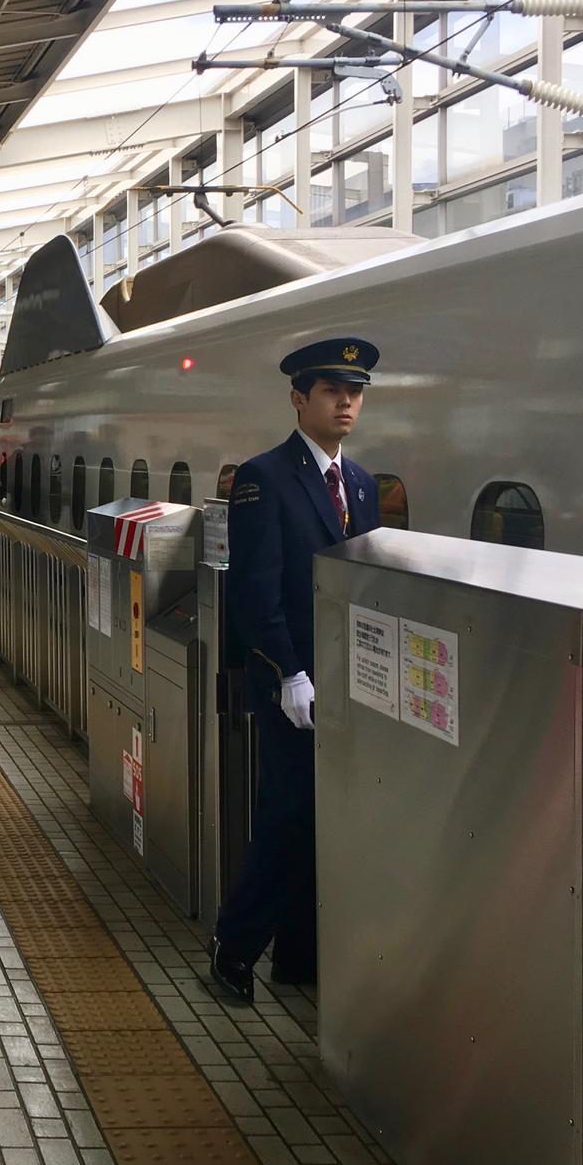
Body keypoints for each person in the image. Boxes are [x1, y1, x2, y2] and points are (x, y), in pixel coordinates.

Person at [209, 337, 384, 1002]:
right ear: (298, 398)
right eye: (333, 390)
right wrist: (288, 670)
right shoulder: (263, 477)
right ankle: (234, 943)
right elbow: (255, 586)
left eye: (356, 391)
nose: (347, 402)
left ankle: (300, 958)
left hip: (344, 679)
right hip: (291, 683)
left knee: (324, 815)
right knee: (289, 814)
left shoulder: (361, 484)